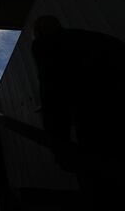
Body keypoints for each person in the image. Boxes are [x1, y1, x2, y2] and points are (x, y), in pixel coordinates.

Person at [31, 15, 125, 210]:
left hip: (96, 119)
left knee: (101, 181)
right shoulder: (101, 40)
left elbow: (52, 94)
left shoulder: (46, 45)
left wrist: (59, 143)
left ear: (39, 33)